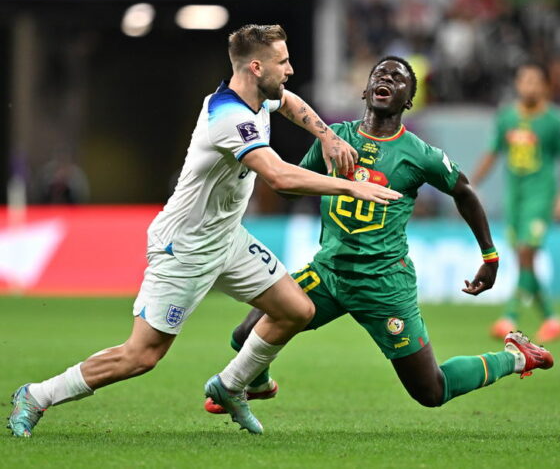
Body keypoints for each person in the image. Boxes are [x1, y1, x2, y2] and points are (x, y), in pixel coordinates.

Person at [7, 24, 401, 437]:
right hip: (185, 247)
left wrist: (325, 135)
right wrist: (351, 186)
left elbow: (289, 103)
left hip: (226, 239)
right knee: (141, 355)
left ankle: (230, 386)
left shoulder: (259, 98)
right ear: (255, 67)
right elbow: (279, 177)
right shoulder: (228, 115)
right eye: (282, 62)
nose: (289, 69)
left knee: (297, 310)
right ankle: (37, 395)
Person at [205, 56, 554, 415]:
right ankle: (258, 385)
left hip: (384, 284)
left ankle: (514, 356)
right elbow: (290, 189)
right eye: (380, 74)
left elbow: (464, 192)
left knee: (431, 390)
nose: (387, 77)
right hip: (328, 273)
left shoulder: (420, 154)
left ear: (408, 101)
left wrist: (490, 257)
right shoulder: (335, 137)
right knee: (245, 334)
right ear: (365, 89)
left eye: (398, 78)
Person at [471, 62, 560, 342]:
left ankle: (510, 316)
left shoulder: (553, 121)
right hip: (514, 198)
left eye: (535, 81)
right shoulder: (507, 118)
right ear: (518, 85)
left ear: (544, 87)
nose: (529, 86)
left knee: (528, 252)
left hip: (540, 196)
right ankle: (552, 319)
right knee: (523, 261)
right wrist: (470, 185)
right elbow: (492, 153)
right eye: (525, 81)